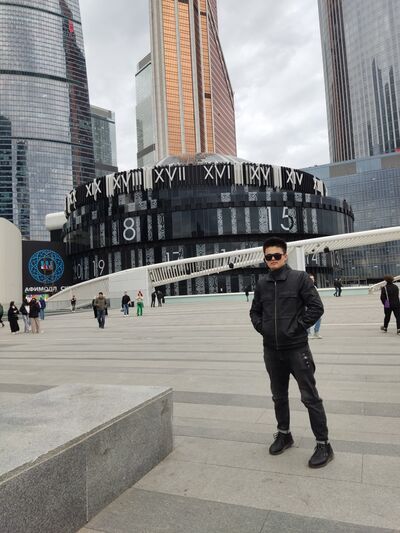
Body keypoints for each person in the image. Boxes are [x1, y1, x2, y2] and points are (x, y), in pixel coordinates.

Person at [250, 236, 333, 468]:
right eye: (269, 256)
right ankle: (284, 434)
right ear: (265, 258)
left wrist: (295, 328)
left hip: (297, 350)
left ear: (285, 256)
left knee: (310, 398)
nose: (273, 259)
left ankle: (324, 444)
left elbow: (316, 307)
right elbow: (254, 312)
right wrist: (264, 328)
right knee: (278, 396)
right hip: (271, 351)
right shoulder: (262, 283)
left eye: (277, 255)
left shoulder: (299, 279)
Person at [308, 275, 322, 339]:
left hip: (315, 305)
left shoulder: (314, 287)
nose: (312, 279)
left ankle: (316, 332)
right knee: (308, 318)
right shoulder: (305, 287)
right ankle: (308, 334)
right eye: (311, 278)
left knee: (319, 318)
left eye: (313, 278)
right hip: (307, 306)